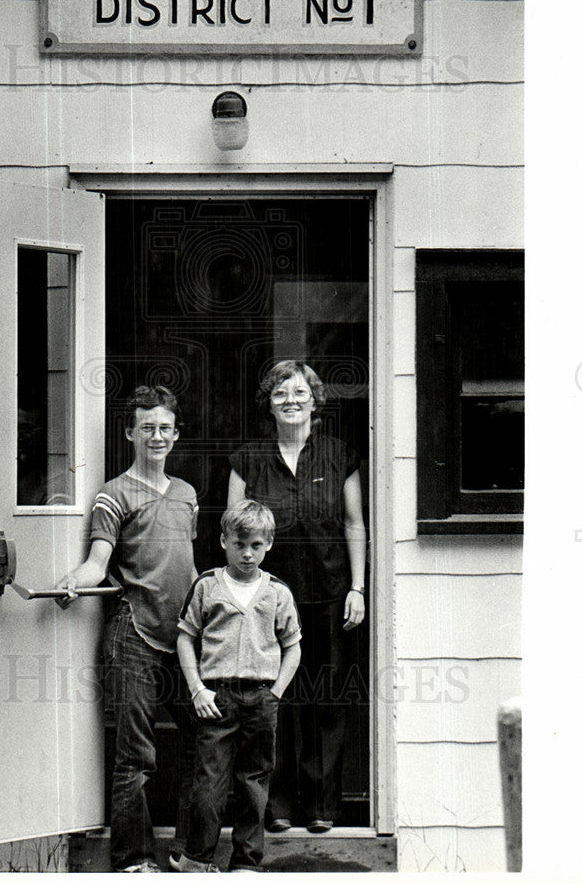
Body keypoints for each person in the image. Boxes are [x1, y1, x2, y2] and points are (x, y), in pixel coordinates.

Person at [59, 384, 198, 873]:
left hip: (183, 637)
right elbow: (98, 562)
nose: (156, 436)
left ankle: (189, 853)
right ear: (129, 432)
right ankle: (135, 862)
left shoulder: (186, 494)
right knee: (136, 755)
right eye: (147, 428)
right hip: (133, 631)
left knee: (207, 738)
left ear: (176, 435)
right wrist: (73, 581)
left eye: (164, 428)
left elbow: (187, 564)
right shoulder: (112, 494)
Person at [227, 360, 366, 833]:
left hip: (329, 596)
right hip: (267, 599)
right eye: (281, 393)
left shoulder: (339, 453)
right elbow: (233, 526)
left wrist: (358, 587)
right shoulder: (247, 458)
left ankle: (323, 806)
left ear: (314, 400)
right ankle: (278, 804)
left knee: (326, 698)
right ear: (269, 402)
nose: (291, 400)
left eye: (300, 392)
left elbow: (353, 524)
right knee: (273, 697)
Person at [175, 500, 301, 873]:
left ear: (269, 544)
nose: (247, 554)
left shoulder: (277, 592)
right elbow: (185, 637)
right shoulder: (208, 585)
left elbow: (292, 646)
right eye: (239, 544)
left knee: (253, 783)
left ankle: (246, 861)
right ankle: (197, 860)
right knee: (209, 784)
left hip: (261, 697)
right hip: (217, 697)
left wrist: (274, 692)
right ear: (223, 541)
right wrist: (197, 688)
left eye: (256, 545)